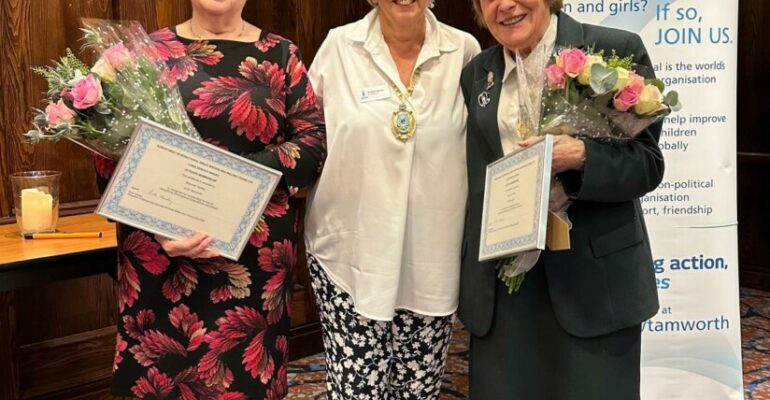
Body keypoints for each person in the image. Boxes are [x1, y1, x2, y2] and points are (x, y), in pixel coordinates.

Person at [94, 0, 326, 398]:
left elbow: (312, 145)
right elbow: (108, 154)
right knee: (162, 383)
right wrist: (159, 223)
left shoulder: (282, 54)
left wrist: (234, 178)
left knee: (247, 383)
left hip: (253, 260)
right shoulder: (143, 54)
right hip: (160, 256)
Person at [458, 0, 664, 399]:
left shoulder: (611, 51)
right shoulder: (478, 74)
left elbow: (647, 165)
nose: (506, 5)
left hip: (594, 285)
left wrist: (583, 156)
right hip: (507, 285)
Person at [303, 0, 480, 398]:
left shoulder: (464, 51)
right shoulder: (340, 46)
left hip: (432, 260)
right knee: (356, 392)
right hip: (349, 258)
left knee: (418, 391)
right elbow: (307, 136)